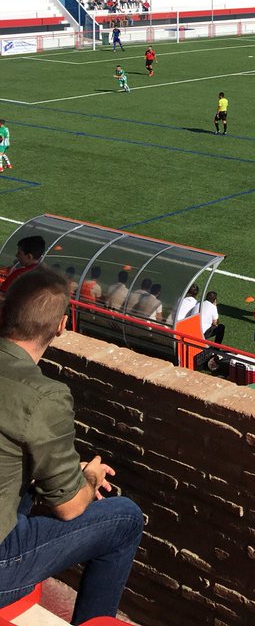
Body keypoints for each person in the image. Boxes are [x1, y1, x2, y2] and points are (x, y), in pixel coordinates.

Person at [0, 267, 144, 623]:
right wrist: (89, 478)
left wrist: (61, 474)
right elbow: (70, 508)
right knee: (125, 518)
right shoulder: (44, 396)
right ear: (61, 326)